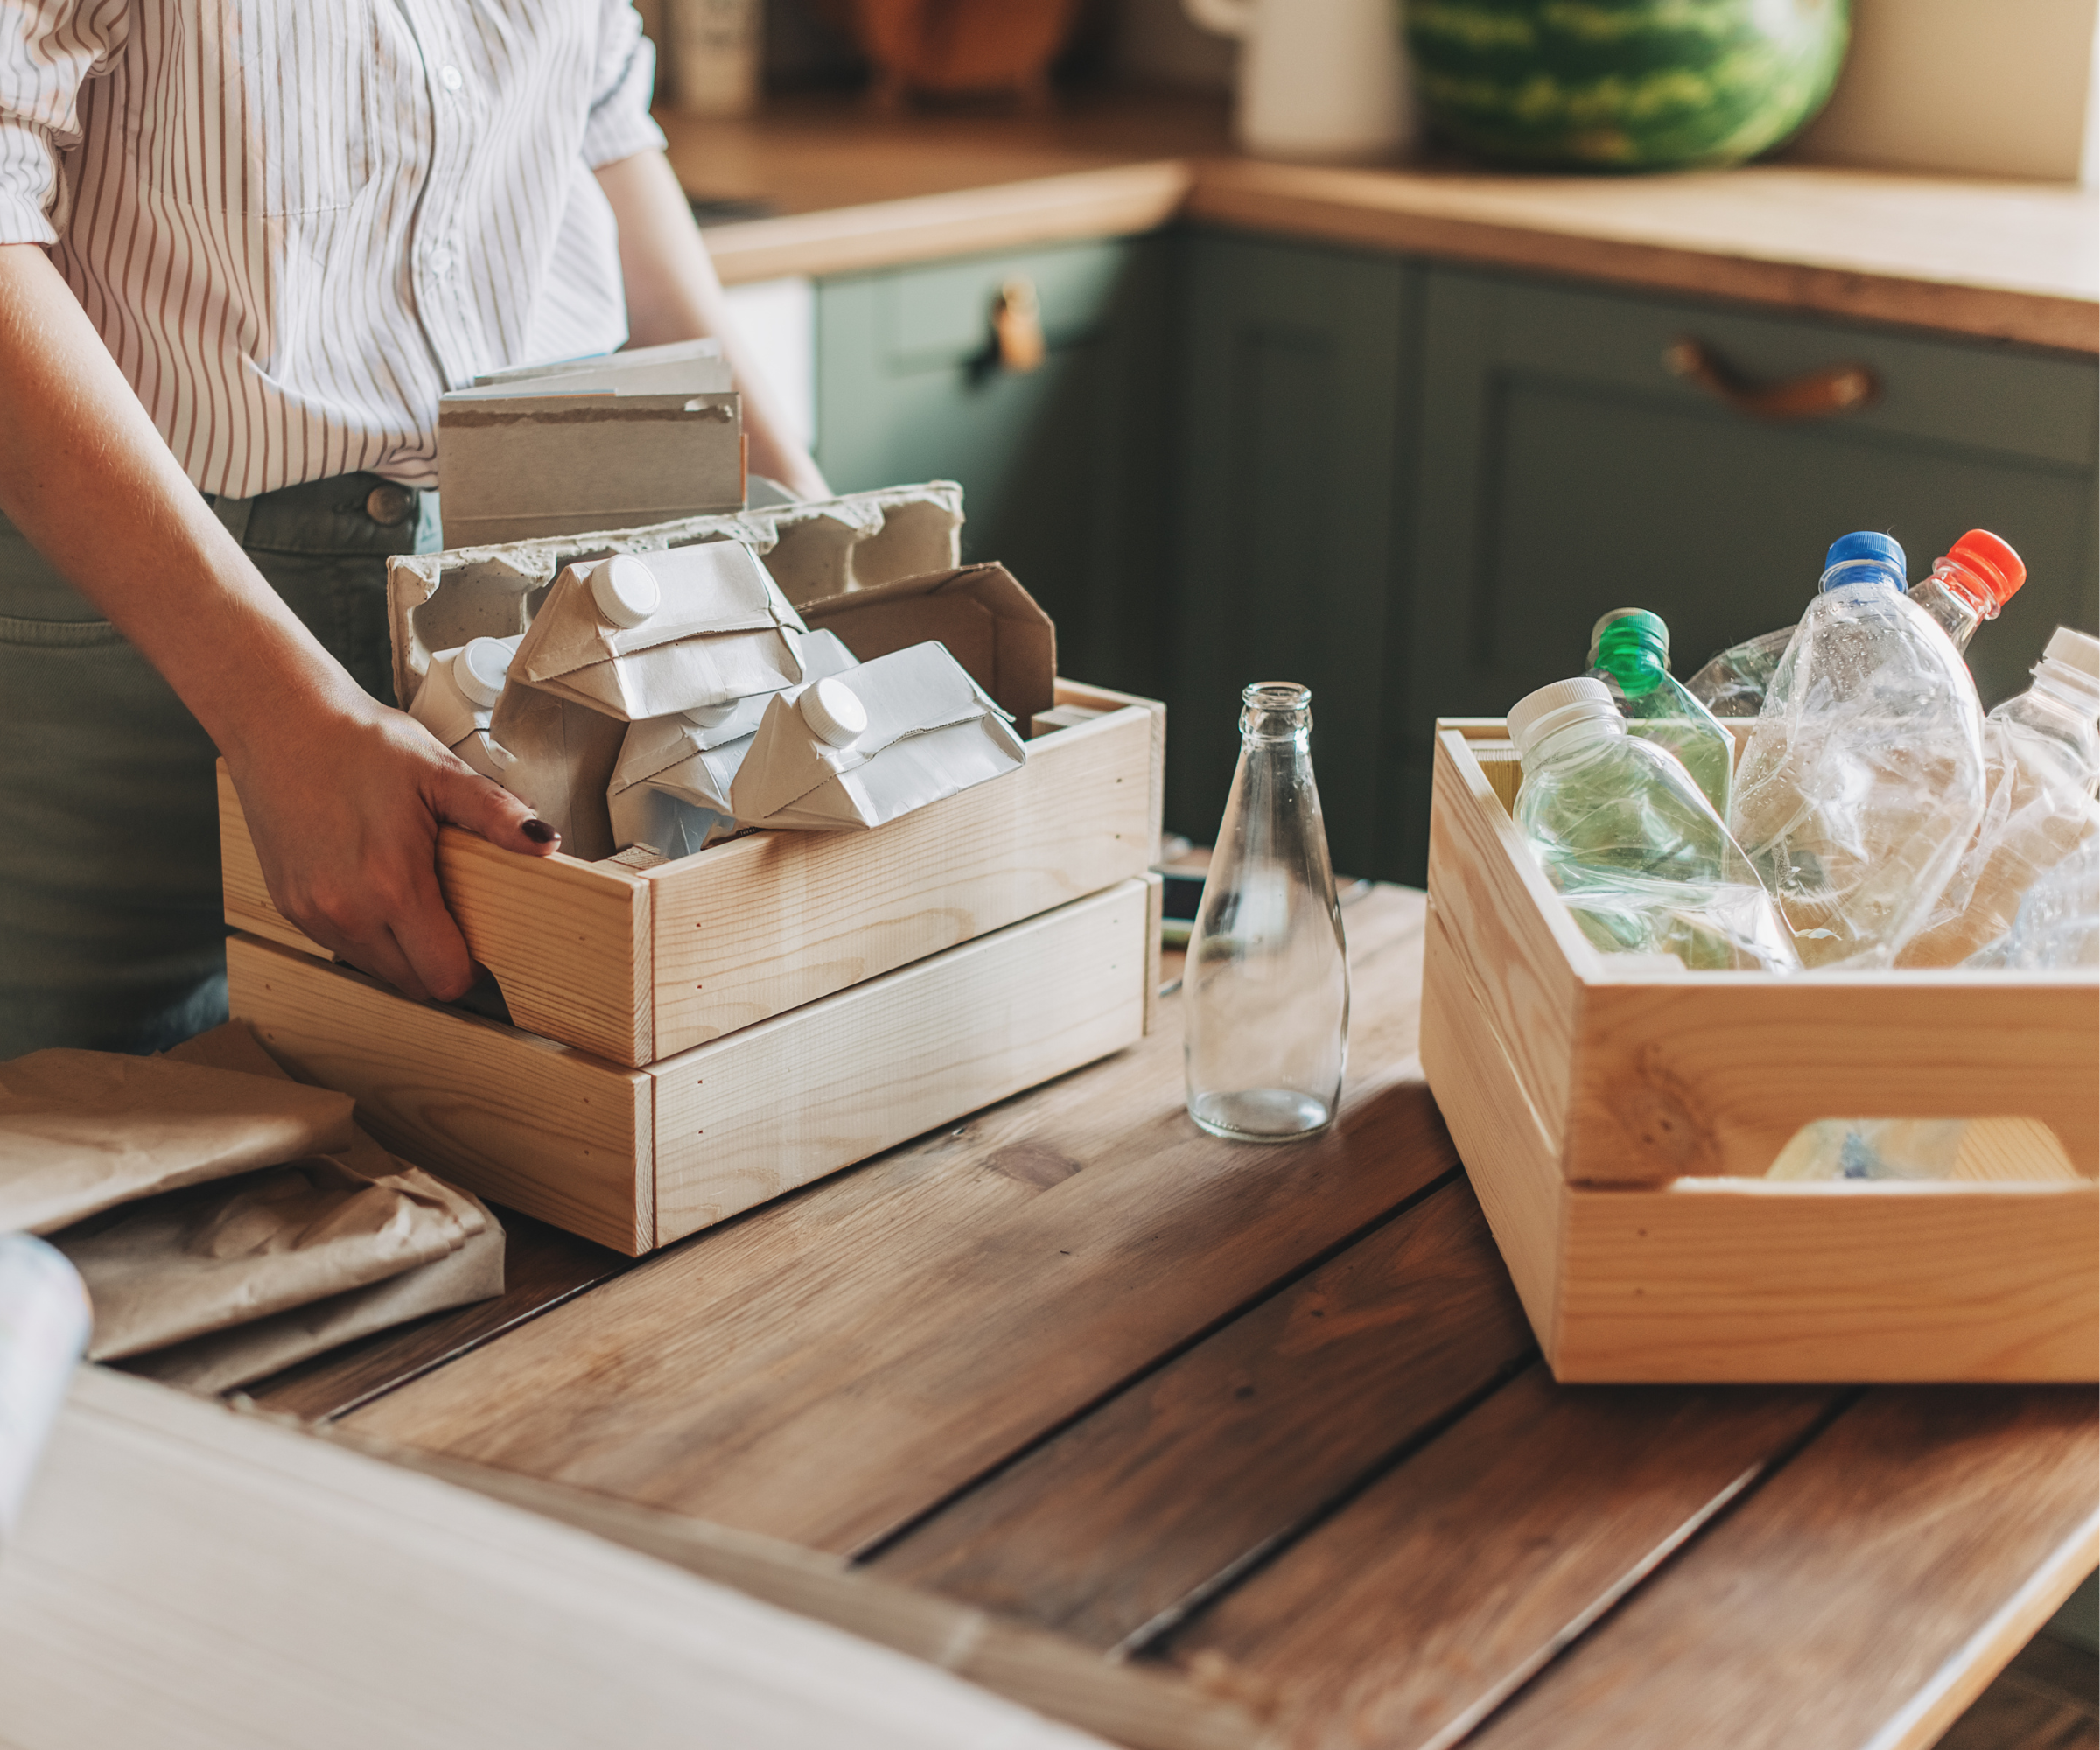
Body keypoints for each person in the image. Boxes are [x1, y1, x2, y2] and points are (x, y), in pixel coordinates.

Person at [0, 1, 825, 1059]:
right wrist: (273, 711)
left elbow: (598, 117)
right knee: (107, 1151)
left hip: (539, 587)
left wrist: (802, 518)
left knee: (519, 1165)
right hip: (147, 624)